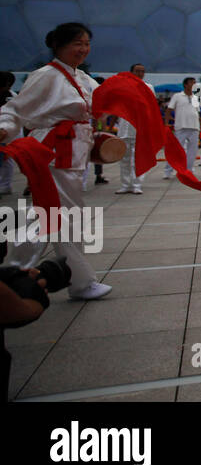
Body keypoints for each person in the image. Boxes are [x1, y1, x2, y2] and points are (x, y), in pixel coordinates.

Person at [0, 23, 112, 300]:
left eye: (86, 43)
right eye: (77, 43)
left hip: (74, 153)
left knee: (51, 214)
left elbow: (103, 100)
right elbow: (16, 108)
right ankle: (79, 281)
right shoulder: (46, 75)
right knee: (60, 215)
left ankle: (14, 273)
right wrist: (4, 127)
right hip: (52, 152)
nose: (83, 49)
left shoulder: (84, 78)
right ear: (59, 46)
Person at [114, 64, 152, 194]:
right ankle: (125, 184)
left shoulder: (148, 87)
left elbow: (151, 108)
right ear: (131, 72)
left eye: (142, 71)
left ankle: (137, 184)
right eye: (137, 71)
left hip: (140, 128)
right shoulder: (123, 87)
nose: (140, 73)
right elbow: (116, 107)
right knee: (124, 158)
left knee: (137, 158)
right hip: (124, 127)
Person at [167, 77, 201, 179]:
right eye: (192, 82)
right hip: (181, 126)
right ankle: (168, 171)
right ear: (185, 85)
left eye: (195, 83)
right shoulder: (177, 96)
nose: (194, 84)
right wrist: (167, 123)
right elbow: (169, 109)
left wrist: (200, 127)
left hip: (194, 127)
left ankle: (188, 170)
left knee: (193, 151)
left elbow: (197, 112)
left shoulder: (196, 97)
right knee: (176, 150)